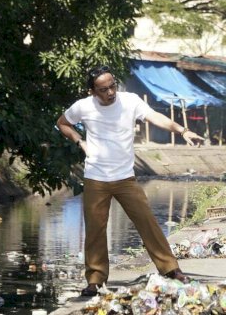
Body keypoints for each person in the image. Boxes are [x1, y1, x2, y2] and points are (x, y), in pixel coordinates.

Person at [56, 65, 205, 296]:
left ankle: (171, 270)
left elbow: (155, 117)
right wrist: (79, 141)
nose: (110, 92)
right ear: (92, 92)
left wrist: (182, 130)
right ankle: (95, 281)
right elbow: (62, 122)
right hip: (96, 177)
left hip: (125, 177)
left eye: (112, 86)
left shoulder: (130, 101)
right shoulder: (82, 107)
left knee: (147, 222)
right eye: (103, 89)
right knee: (95, 230)